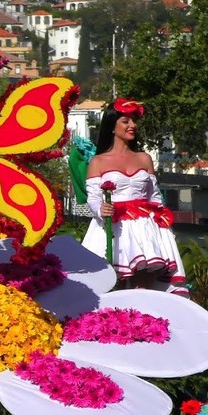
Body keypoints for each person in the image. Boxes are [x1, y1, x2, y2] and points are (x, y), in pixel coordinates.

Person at [81, 99, 188, 296]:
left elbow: (154, 196)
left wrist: (162, 219)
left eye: (133, 121)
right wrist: (100, 209)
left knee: (145, 285)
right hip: (114, 225)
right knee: (111, 283)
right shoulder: (98, 161)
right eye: (125, 121)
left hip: (145, 227)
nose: (132, 126)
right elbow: (93, 197)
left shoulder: (144, 158)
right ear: (112, 127)